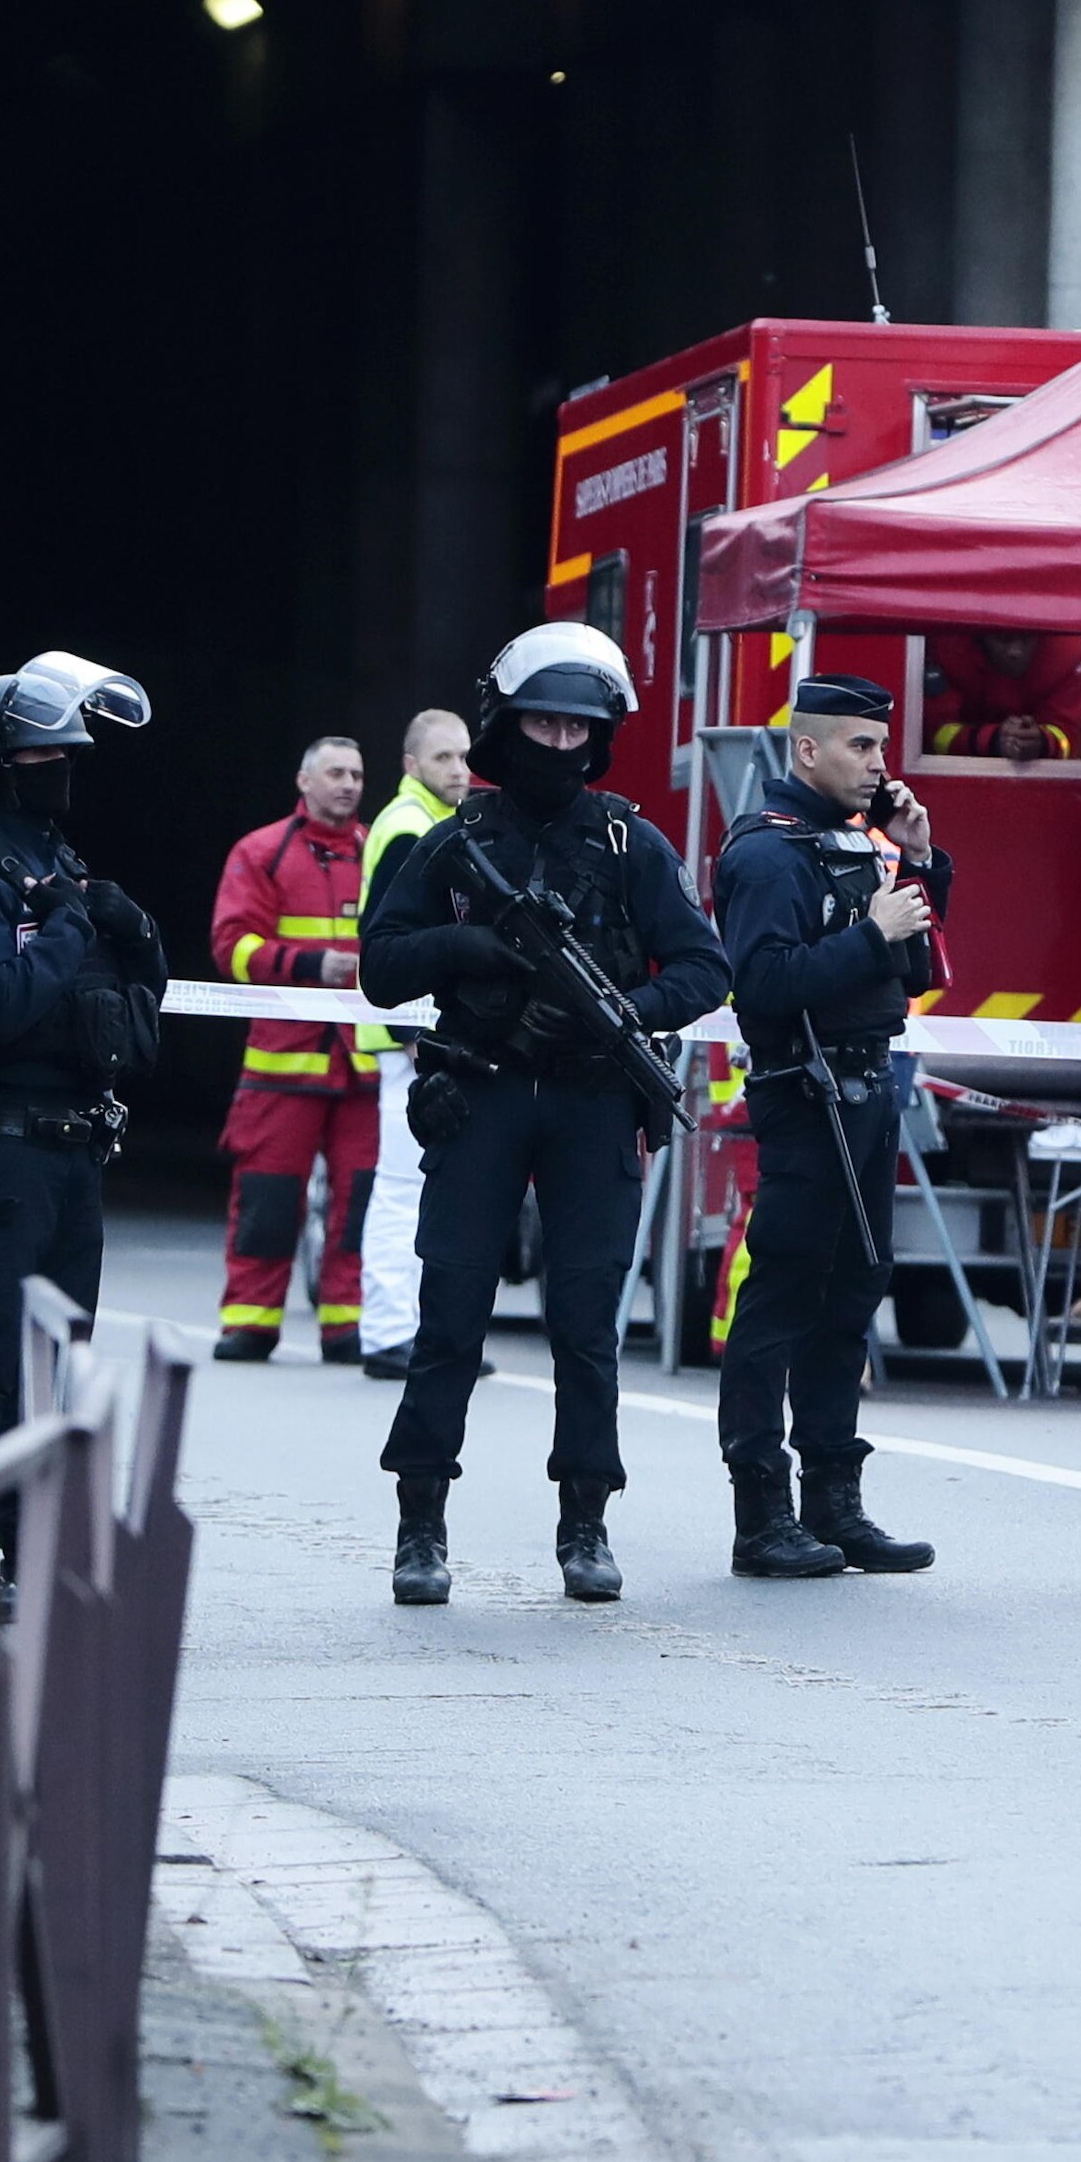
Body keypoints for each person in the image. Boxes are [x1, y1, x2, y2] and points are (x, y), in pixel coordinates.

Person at [364, 624, 726, 1608]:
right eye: (540, 723)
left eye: (577, 727)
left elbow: (703, 965)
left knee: (584, 1325)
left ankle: (584, 1522)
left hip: (591, 1101)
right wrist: (464, 949)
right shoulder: (457, 839)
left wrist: (627, 1015)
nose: (558, 744)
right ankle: (420, 1525)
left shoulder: (625, 840)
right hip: (478, 1094)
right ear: (505, 725)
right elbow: (380, 966)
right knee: (448, 1319)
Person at [712, 672, 950, 1579]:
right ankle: (760, 1511)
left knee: (853, 1291)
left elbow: (912, 970)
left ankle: (834, 1502)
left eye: (881, 747)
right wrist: (867, 933)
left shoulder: (861, 842)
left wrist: (921, 862)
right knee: (782, 1297)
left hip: (866, 1085)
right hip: (804, 1091)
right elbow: (763, 985)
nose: (877, 763)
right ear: (806, 748)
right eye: (860, 746)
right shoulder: (767, 854)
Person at [0, 652, 164, 1487]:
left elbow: (133, 1000)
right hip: (5, 1152)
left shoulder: (63, 866)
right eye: (40, 758)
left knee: (59, 1369)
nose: (59, 773)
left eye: (67, 757)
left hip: (77, 1154)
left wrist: (133, 930)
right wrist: (66, 930)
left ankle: (34, 1548)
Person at [205, 736, 380, 1365]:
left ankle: (347, 1324)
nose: (348, 784)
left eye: (357, 774)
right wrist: (311, 965)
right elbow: (232, 949)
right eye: (335, 773)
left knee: (360, 1204)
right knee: (267, 1202)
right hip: (283, 1065)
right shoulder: (261, 852)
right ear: (303, 781)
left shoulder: (379, 851)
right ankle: (250, 1321)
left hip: (363, 1066)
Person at [349, 707, 473, 1379]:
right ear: (411, 765)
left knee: (429, 1190)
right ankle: (390, 1333)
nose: (459, 768)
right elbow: (387, 943)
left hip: (421, 1038)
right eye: (443, 758)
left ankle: (416, 1333)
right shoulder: (408, 829)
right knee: (401, 1189)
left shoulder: (433, 823)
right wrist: (410, 1033)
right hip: (411, 1043)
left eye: (462, 756)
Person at [925, 630, 1081, 759]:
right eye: (1003, 639)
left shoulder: (1067, 648)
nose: (1015, 652)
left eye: (1026, 638)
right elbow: (933, 733)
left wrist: (1042, 742)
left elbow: (1067, 738)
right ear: (981, 636)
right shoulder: (945, 643)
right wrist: (993, 740)